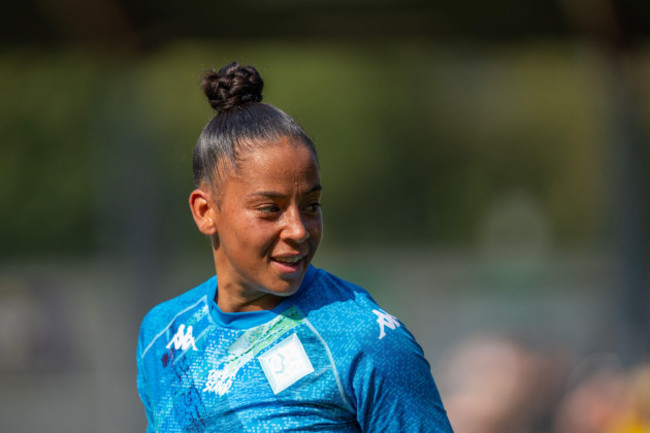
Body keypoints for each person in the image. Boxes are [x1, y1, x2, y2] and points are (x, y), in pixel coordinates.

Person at [136, 61, 454, 432]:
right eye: (270, 209)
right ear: (205, 212)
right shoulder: (162, 335)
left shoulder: (368, 343)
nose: (299, 230)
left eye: (310, 206)